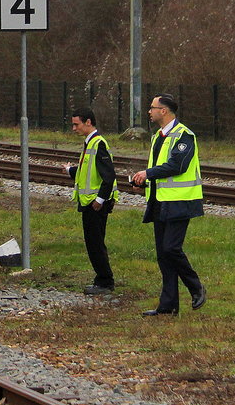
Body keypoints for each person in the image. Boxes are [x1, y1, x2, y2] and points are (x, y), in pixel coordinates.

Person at [132, 94, 206, 316]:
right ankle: (168, 305)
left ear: (163, 111)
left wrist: (148, 173)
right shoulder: (158, 137)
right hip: (160, 202)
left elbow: (177, 165)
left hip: (180, 202)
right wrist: (146, 184)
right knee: (163, 256)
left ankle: (196, 287)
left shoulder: (184, 136)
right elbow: (161, 171)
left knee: (171, 248)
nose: (149, 111)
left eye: (152, 108)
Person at [65, 108, 118, 295]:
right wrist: (71, 171)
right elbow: (89, 173)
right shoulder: (89, 144)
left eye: (76, 124)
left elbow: (109, 175)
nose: (73, 128)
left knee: (95, 243)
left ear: (88, 122)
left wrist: (100, 199)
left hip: (95, 205)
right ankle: (102, 279)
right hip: (89, 202)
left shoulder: (98, 144)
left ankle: (105, 281)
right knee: (93, 242)